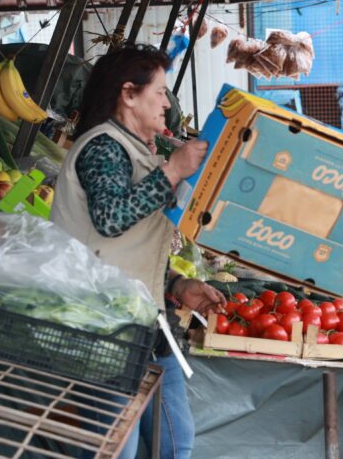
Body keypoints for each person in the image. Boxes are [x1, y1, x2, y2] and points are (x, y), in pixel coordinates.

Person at [52, 43, 225, 459]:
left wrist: (178, 284)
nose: (167, 103)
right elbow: (111, 218)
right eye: (160, 91)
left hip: (146, 327)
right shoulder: (102, 147)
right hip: (100, 334)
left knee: (176, 442)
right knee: (118, 452)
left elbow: (126, 246)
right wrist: (174, 169)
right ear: (128, 94)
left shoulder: (136, 152)